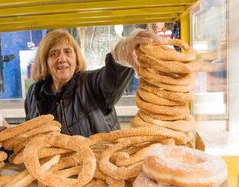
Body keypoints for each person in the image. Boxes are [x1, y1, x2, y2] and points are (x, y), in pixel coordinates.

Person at [25, 29, 159, 137]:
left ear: (76, 58)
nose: (62, 59)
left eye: (67, 52)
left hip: (98, 166)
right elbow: (29, 134)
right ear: (45, 62)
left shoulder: (91, 83)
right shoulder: (34, 93)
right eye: (54, 54)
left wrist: (122, 51)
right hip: (51, 169)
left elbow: (113, 73)